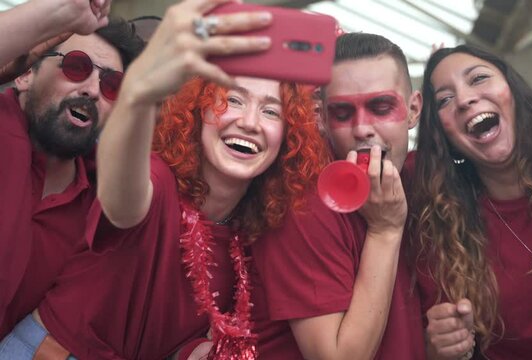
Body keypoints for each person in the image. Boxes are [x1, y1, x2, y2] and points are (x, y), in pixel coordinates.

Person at [0, 0, 321, 358]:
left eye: (271, 111)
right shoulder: (158, 180)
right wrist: (140, 93)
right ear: (197, 113)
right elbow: (122, 203)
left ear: (289, 138)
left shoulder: (246, 237)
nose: (249, 121)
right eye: (231, 99)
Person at [249, 32, 426, 359]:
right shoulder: (302, 203)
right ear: (322, 119)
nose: (362, 129)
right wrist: (385, 231)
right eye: (343, 113)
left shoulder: (416, 180)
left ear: (414, 109)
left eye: (381, 107)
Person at [409, 44, 532, 359]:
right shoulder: (440, 217)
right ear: (442, 135)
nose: (465, 99)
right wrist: (437, 348)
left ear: (513, 90)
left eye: (478, 78)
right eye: (445, 99)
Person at [0, 10, 144, 341]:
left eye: (112, 85)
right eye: (76, 66)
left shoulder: (104, 204)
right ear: (24, 75)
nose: (93, 90)